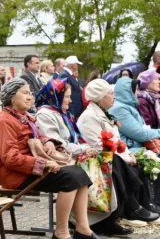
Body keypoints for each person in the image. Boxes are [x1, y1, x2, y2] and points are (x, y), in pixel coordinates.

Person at [35, 78, 158, 235]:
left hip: (76, 154)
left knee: (114, 161)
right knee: (109, 162)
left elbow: (79, 139)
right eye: (66, 96)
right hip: (64, 159)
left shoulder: (62, 113)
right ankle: (112, 216)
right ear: (56, 96)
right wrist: (85, 149)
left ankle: (119, 213)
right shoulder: (46, 114)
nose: (71, 100)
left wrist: (86, 148)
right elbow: (57, 144)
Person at [0, 78, 98, 239]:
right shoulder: (4, 121)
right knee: (69, 178)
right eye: (25, 93)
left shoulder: (24, 116)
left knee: (79, 174)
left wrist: (47, 142)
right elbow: (10, 158)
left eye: (30, 93)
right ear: (12, 97)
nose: (30, 97)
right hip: (15, 175)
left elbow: (38, 136)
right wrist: (43, 162)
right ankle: (61, 233)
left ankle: (83, 229)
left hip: (29, 168)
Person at [79, 79, 160, 218]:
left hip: (111, 155)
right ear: (101, 97)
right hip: (95, 159)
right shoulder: (90, 116)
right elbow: (101, 145)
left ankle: (142, 206)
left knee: (135, 167)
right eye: (111, 93)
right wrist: (127, 157)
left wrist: (128, 154)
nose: (114, 96)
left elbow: (116, 140)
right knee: (126, 168)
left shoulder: (104, 112)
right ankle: (132, 209)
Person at [110, 77, 160, 207]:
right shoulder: (119, 109)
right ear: (128, 91)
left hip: (137, 146)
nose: (138, 93)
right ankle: (155, 203)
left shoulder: (129, 106)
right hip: (130, 149)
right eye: (136, 90)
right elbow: (140, 134)